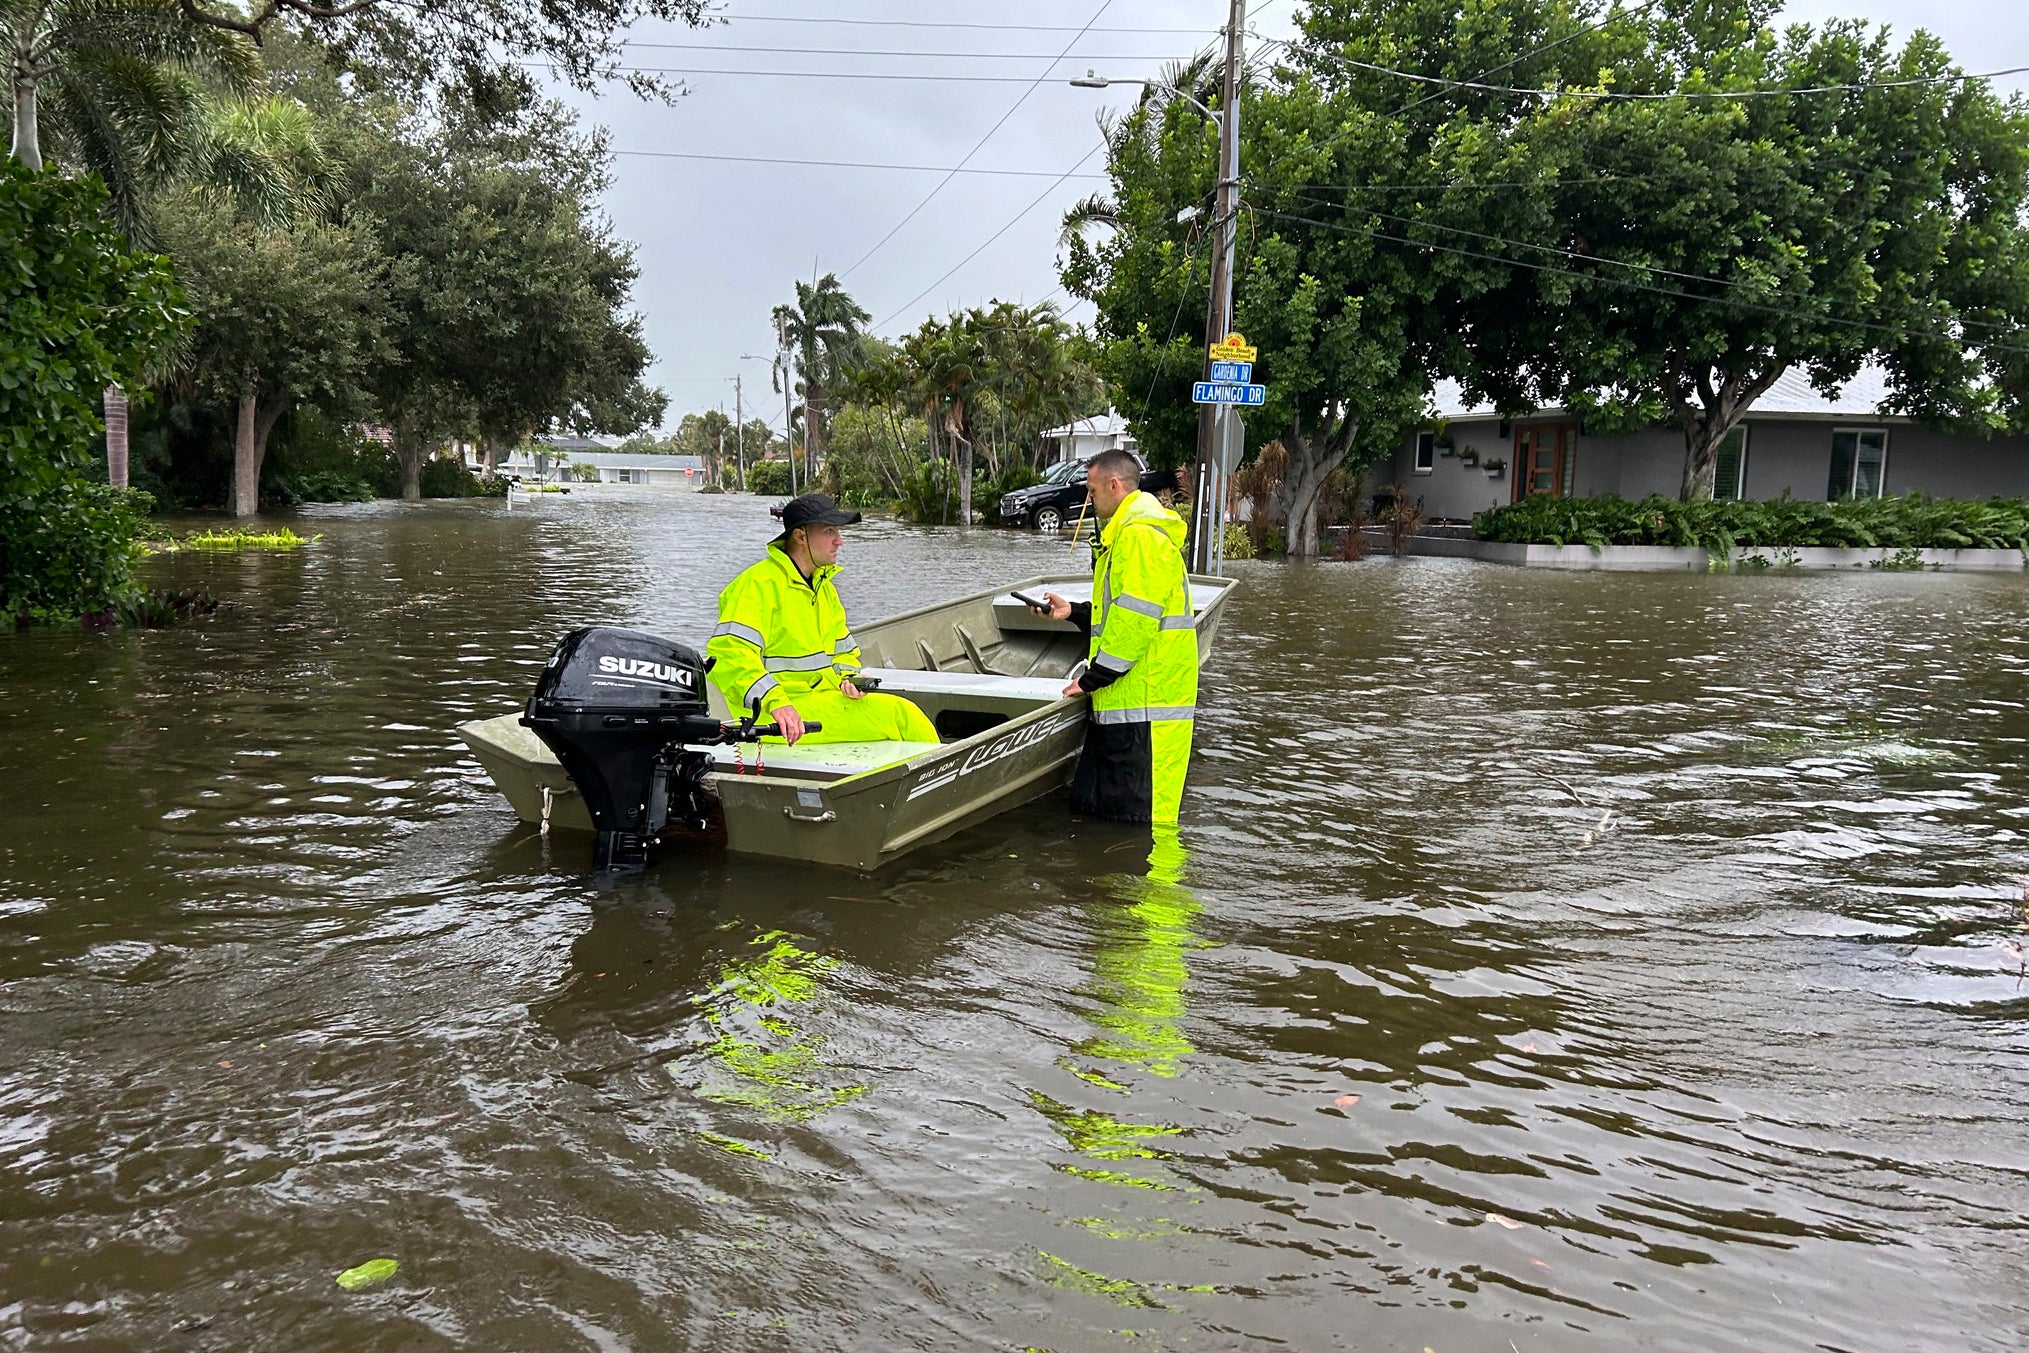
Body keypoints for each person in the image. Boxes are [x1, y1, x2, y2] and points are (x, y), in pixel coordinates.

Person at [1034, 450, 1199, 824]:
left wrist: (1090, 680)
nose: (1089, 499)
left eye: (1092, 491)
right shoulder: (1127, 535)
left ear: (1113, 485)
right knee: (1106, 820)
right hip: (1127, 702)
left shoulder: (1140, 537)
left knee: (1142, 824)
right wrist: (1073, 612)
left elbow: (1135, 624)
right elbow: (1121, 611)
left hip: (1146, 709)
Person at [706, 494, 939, 746]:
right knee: (904, 717)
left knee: (906, 716)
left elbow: (843, 651)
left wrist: (849, 678)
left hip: (817, 701)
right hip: (772, 716)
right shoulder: (757, 585)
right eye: (829, 531)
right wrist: (776, 701)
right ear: (800, 537)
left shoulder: (824, 588)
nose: (839, 540)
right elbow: (729, 655)